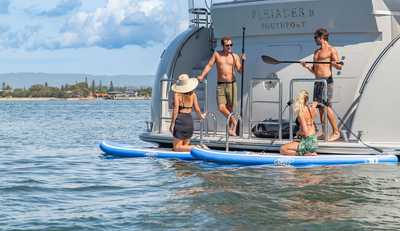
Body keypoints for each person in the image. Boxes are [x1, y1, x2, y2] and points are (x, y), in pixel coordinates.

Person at [197, 36, 245, 136]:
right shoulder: (217, 55)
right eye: (227, 45)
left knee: (231, 108)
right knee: (221, 107)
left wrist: (243, 61)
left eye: (231, 45)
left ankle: (232, 130)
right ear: (223, 45)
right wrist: (202, 75)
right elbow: (209, 65)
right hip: (221, 85)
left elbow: (241, 71)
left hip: (232, 84)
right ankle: (234, 121)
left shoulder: (234, 56)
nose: (229, 47)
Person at [300, 28, 343, 141]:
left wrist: (334, 63)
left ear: (322, 37)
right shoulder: (316, 52)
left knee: (327, 106)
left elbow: (339, 66)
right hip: (318, 82)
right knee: (320, 108)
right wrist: (306, 66)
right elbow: (315, 70)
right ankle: (324, 132)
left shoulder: (331, 50)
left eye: (315, 37)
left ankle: (336, 132)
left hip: (327, 81)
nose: (314, 40)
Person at [170, 74, 206, 152]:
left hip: (180, 121)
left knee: (176, 148)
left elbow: (176, 109)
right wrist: (201, 116)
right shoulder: (193, 95)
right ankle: (184, 163)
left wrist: (172, 124)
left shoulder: (177, 95)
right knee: (184, 147)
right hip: (189, 120)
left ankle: (197, 147)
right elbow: (197, 109)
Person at [280, 90, 318, 156]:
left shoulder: (301, 113)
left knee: (283, 149)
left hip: (307, 142)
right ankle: (308, 152)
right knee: (294, 143)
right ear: (307, 99)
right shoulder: (312, 109)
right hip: (314, 141)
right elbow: (313, 127)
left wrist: (298, 133)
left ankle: (304, 154)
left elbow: (305, 132)